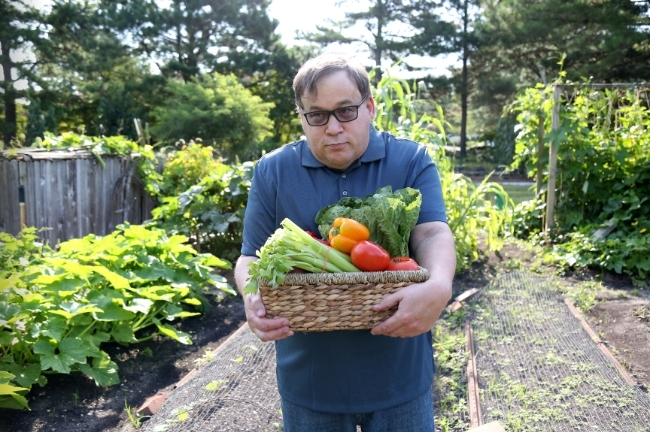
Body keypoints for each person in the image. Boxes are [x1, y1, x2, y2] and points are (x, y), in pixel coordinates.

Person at [234, 53, 456, 432]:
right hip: (309, 380)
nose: (333, 127)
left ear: (369, 107)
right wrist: (251, 297)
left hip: (399, 373)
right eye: (316, 115)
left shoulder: (410, 159)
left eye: (346, 111)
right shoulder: (273, 170)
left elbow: (431, 231)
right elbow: (250, 256)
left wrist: (439, 285)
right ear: (302, 117)